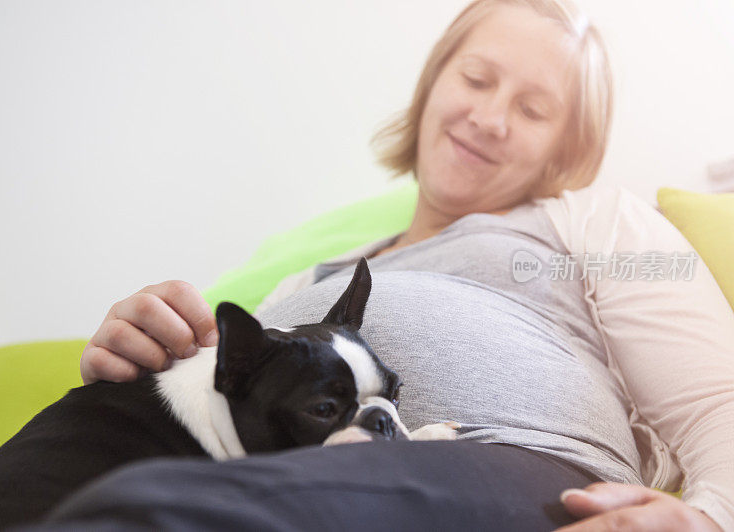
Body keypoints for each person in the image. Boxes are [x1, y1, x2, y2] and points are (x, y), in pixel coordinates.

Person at [77, 1, 734, 530]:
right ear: (433, 86)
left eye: (533, 110)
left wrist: (708, 521)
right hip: (259, 474)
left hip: (510, 469)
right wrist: (128, 374)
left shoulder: (593, 222)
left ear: (561, 153)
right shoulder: (303, 284)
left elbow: (717, 403)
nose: (489, 117)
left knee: (161, 514)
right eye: (476, 79)